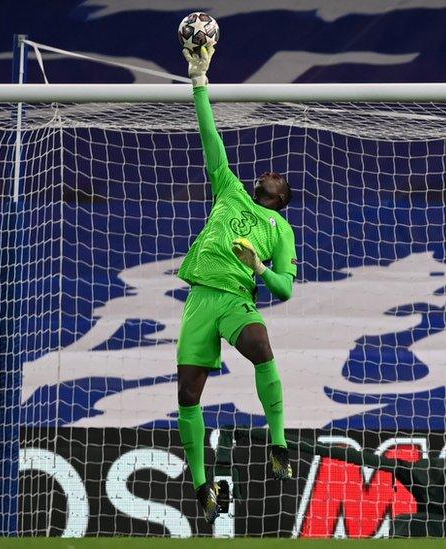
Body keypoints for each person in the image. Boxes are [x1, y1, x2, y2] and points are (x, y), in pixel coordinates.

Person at [175, 43, 299, 523]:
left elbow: (285, 291)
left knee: (261, 344)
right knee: (187, 394)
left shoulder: (279, 230)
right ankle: (203, 488)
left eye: (277, 178)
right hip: (199, 300)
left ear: (281, 198)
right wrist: (199, 80)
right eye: (266, 172)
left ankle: (279, 445)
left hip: (235, 299)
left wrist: (258, 267)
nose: (267, 173)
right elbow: (209, 133)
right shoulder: (227, 186)